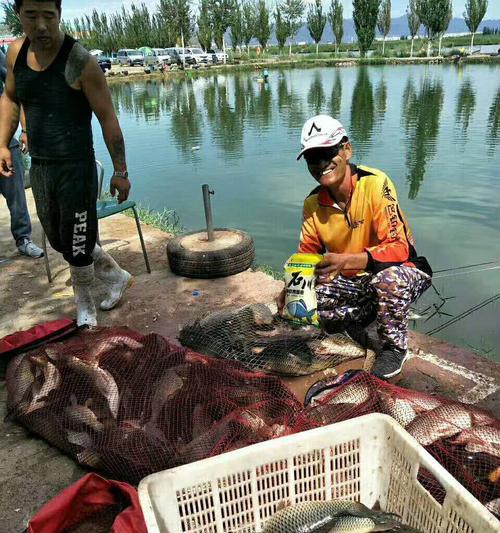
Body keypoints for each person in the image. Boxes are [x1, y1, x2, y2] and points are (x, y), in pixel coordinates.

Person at [0, 0, 132, 328]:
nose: (41, 25)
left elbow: (108, 120)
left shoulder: (81, 63)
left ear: (60, 14)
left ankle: (84, 308)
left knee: (77, 243)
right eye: (32, 16)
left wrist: (119, 172)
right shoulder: (16, 53)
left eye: (49, 16)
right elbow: (11, 98)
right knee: (60, 240)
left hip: (76, 168)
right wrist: (3, 142)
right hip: (41, 165)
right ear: (19, 15)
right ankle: (116, 276)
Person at [279, 115, 432, 379]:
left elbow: (399, 249)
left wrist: (346, 261)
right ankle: (362, 317)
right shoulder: (312, 204)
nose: (321, 164)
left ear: (346, 149)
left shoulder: (376, 184)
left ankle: (393, 347)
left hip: (401, 272)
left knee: (389, 279)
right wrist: (291, 288)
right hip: (355, 284)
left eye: (327, 153)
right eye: (313, 158)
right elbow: (307, 257)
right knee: (308, 299)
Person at [0, 46, 43, 258]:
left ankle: (23, 239)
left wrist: (25, 129)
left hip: (5, 142)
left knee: (16, 195)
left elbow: (16, 93)